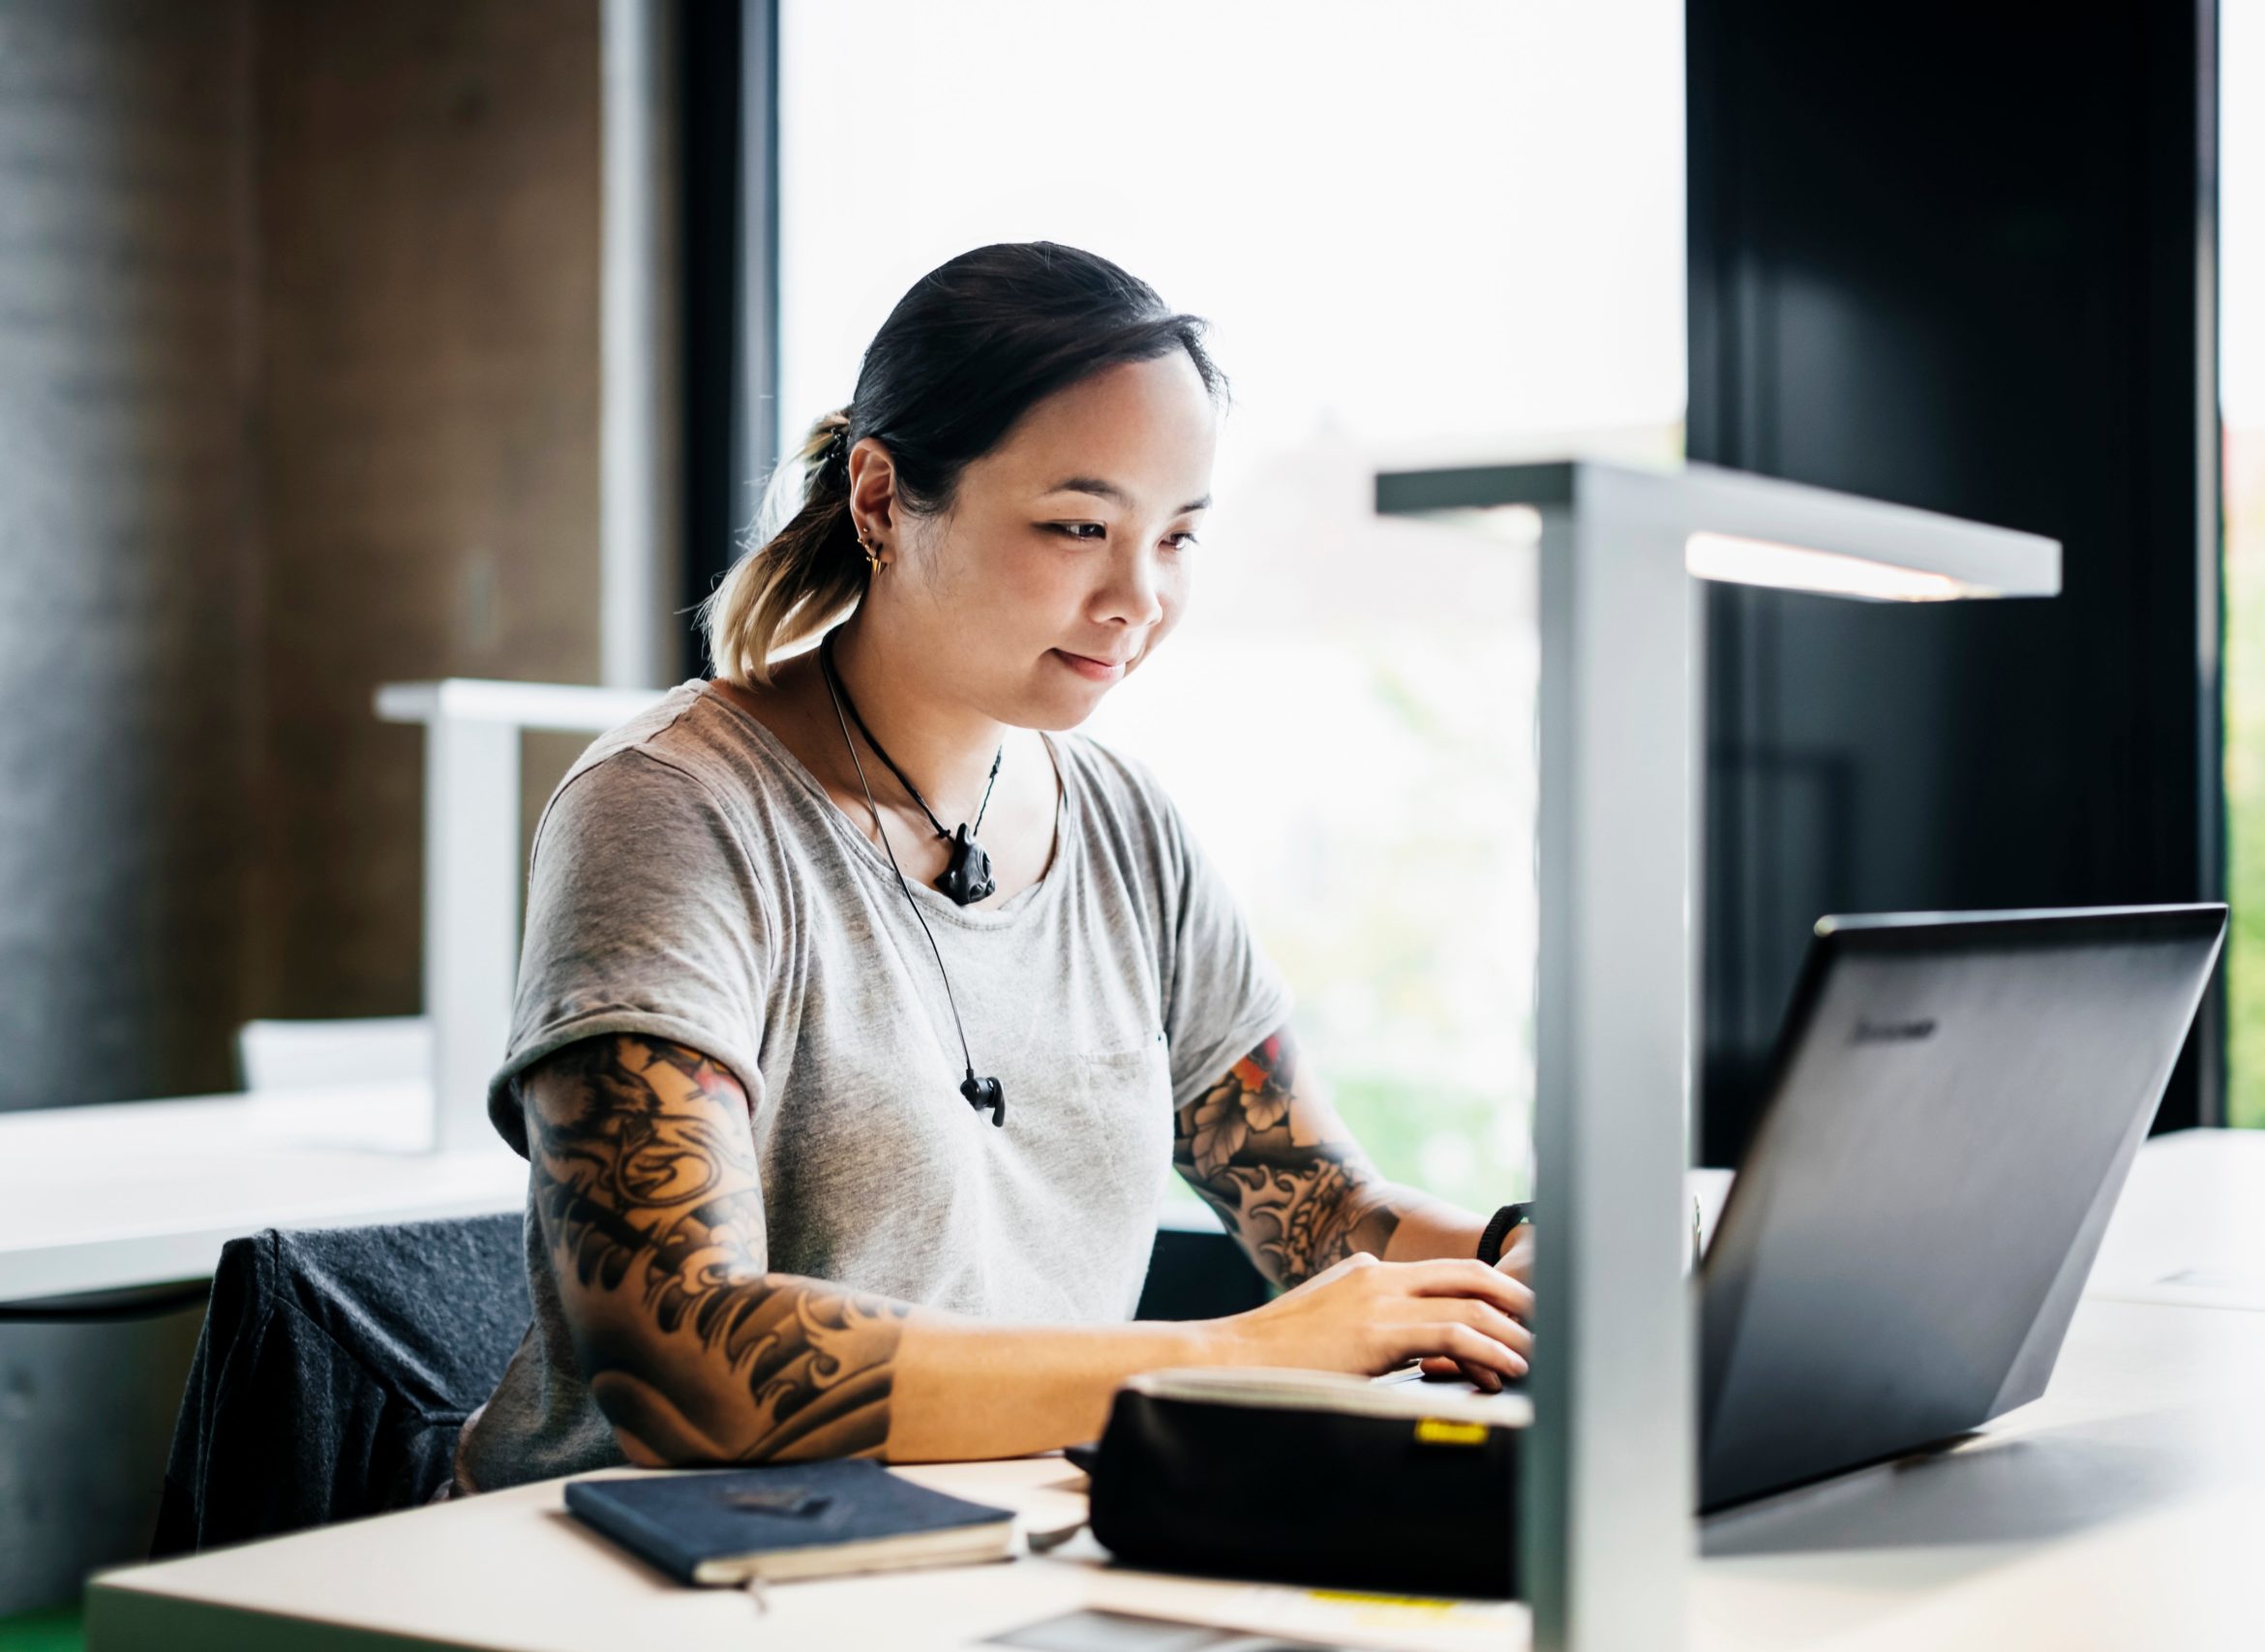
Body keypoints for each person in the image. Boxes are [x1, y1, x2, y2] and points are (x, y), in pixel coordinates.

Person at [454, 242, 1534, 1491]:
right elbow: (681, 1360)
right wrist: (1228, 1354)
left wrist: (1515, 1257)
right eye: (1077, 526)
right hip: (626, 1567)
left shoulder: (1127, 825)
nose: (1138, 597)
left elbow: (1312, 1197)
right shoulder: (671, 809)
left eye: (1177, 537)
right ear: (878, 502)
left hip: (979, 1533)